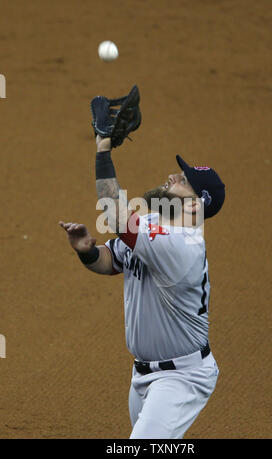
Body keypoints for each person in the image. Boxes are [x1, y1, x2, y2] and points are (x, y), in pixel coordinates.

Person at [59, 128, 225, 439]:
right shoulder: (153, 226)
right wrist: (87, 252)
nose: (172, 177)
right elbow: (112, 261)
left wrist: (103, 151)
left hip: (182, 379)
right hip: (142, 375)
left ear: (193, 205)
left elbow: (114, 214)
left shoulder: (181, 246)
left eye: (183, 180)